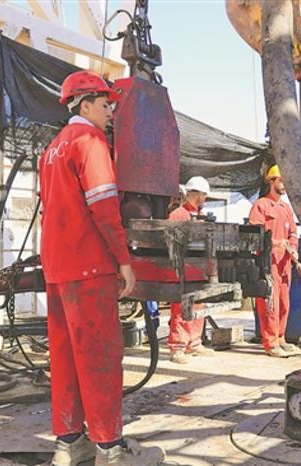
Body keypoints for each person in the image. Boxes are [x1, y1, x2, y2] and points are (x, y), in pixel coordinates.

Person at [40, 70, 163, 466]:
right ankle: (110, 450)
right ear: (86, 105)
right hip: (90, 266)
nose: (111, 112)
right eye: (106, 104)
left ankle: (69, 443)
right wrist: (124, 261)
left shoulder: (52, 148)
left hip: (57, 268)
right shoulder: (90, 142)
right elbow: (105, 209)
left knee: (65, 358)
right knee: (100, 357)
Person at [248, 165, 300, 358]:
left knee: (284, 302)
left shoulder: (286, 208)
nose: (284, 185)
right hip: (267, 264)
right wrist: (277, 243)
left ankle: (280, 337)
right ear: (271, 181)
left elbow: (293, 233)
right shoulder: (260, 206)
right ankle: (270, 343)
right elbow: (254, 235)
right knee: (270, 303)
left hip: (284, 264)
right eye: (281, 180)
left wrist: (293, 248)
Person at [168, 176, 216, 364]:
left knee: (198, 305)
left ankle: (194, 343)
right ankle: (177, 347)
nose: (204, 199)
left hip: (199, 268)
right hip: (183, 268)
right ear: (193, 194)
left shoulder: (201, 215)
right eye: (202, 195)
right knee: (181, 307)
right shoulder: (178, 215)